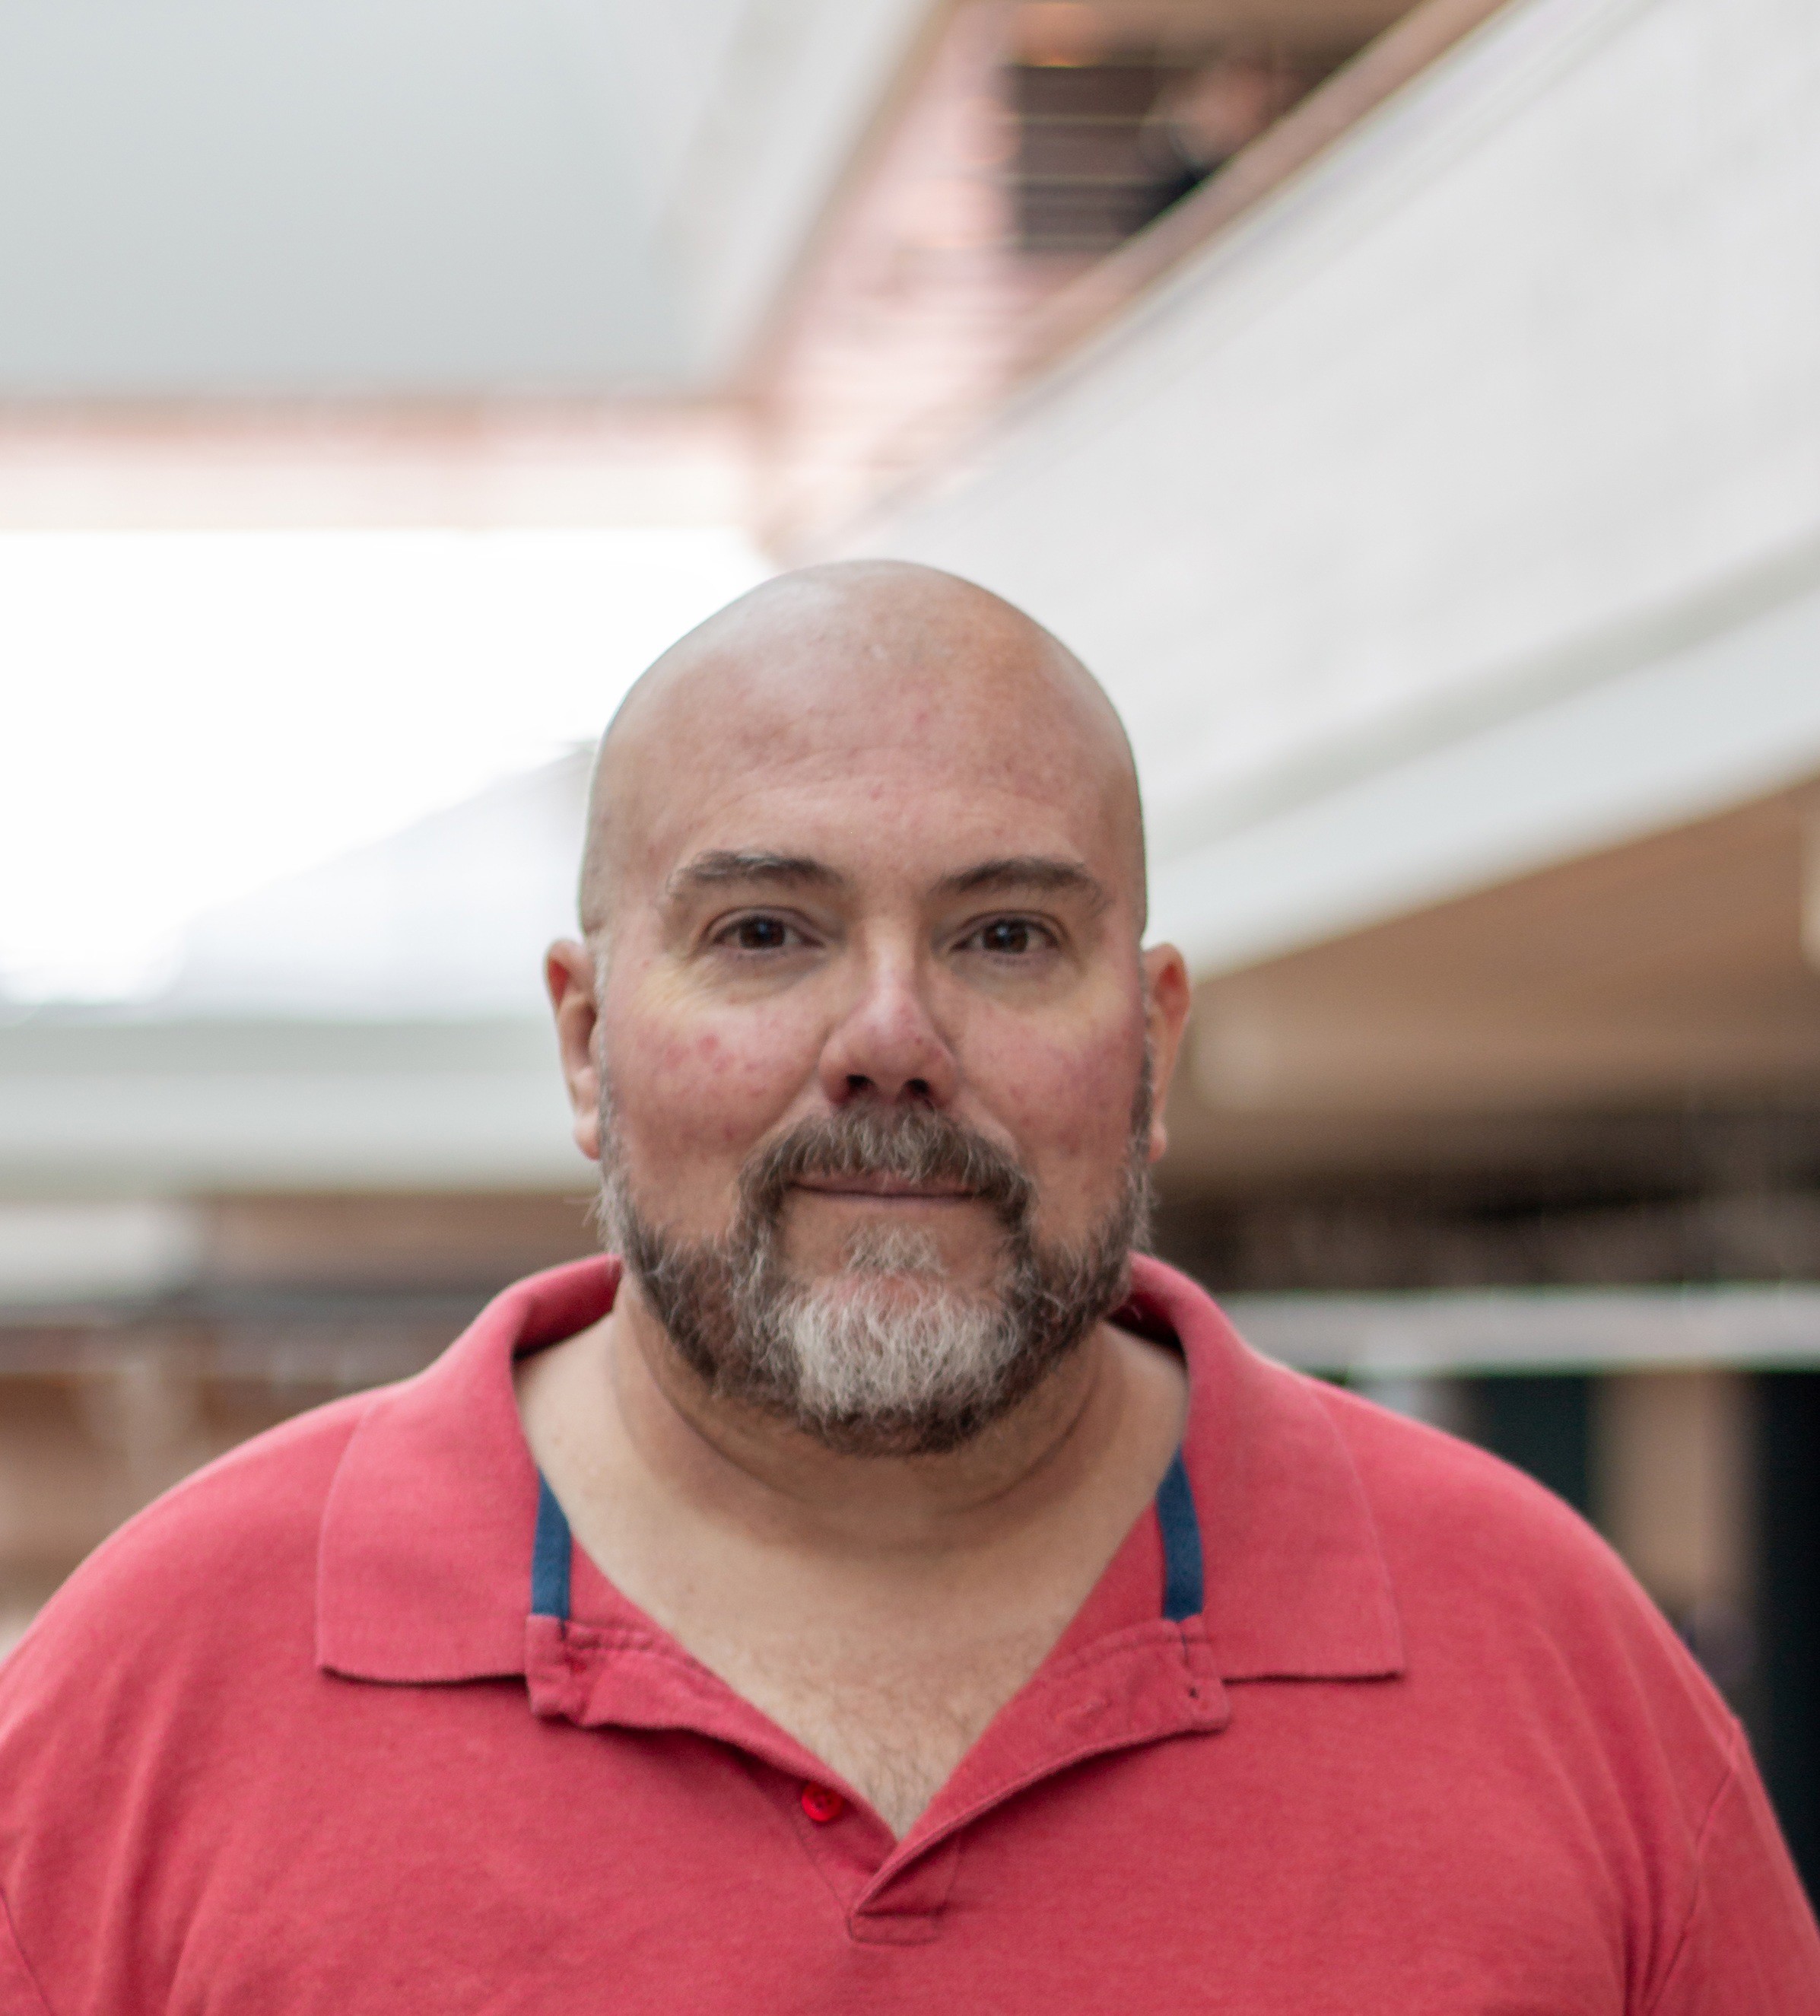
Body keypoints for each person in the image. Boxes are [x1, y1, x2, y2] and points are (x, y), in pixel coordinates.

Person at [0, 561, 1815, 2013]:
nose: (888, 1040)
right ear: (586, 1037)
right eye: (766, 931)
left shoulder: (1554, 1664)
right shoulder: (157, 1685)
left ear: (1153, 1041)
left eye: (1005, 934)